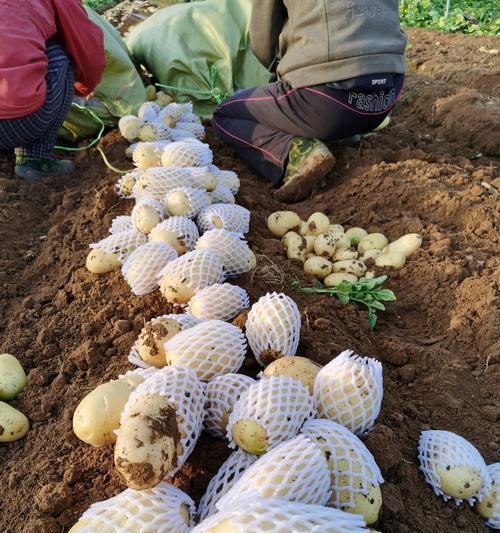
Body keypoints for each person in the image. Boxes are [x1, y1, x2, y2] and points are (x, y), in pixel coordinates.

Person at [212, 0, 407, 203]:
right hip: (386, 96)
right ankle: (345, 135)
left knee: (225, 114)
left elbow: (263, 41)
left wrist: (278, 73)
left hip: (328, 103)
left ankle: (298, 155)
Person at [0, 0, 105, 180]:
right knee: (57, 53)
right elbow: (86, 48)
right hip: (15, 124)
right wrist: (84, 86)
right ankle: (35, 159)